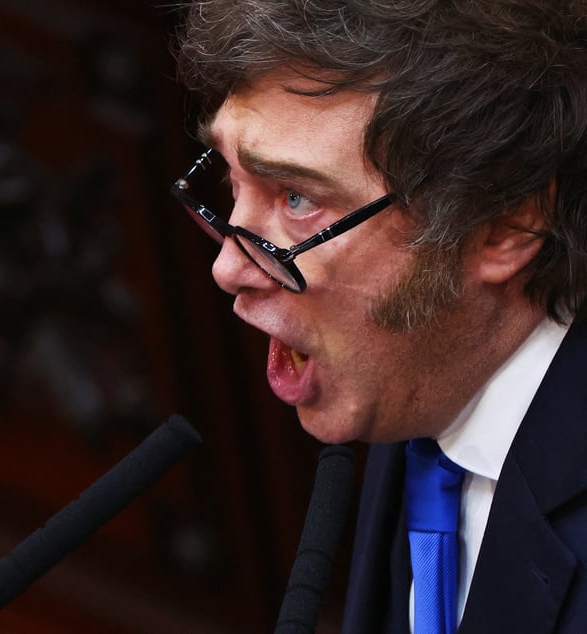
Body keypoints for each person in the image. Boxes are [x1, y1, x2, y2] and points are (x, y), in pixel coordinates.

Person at [171, 1, 587, 632]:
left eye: (297, 197)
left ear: (504, 226)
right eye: (231, 179)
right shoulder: (414, 376)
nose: (228, 268)